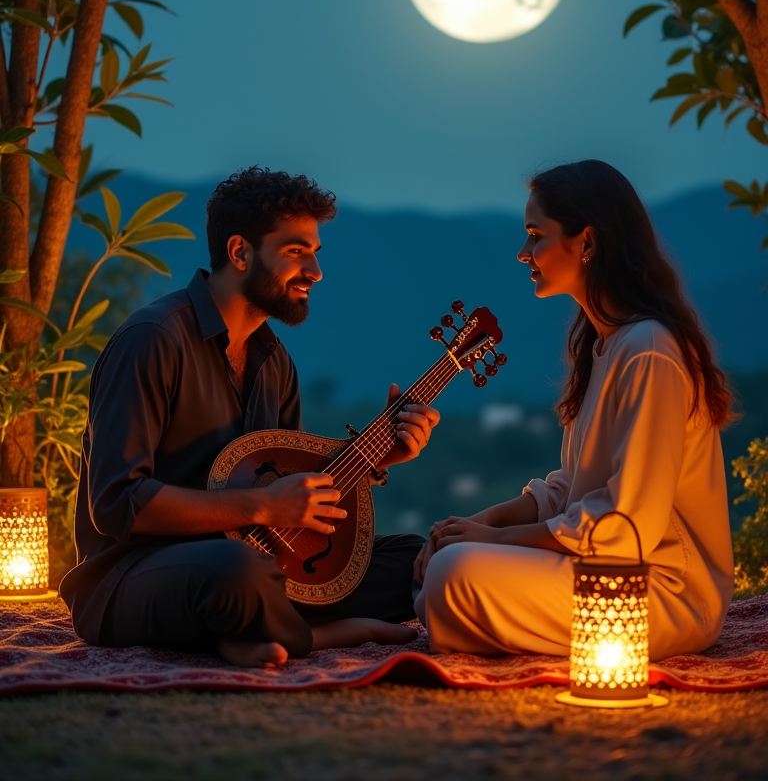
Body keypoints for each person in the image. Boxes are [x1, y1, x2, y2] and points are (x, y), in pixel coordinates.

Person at [61, 167, 440, 667]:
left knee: (419, 561)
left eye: (315, 253)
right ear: (240, 252)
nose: (314, 271)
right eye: (294, 251)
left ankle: (255, 629)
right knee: (238, 572)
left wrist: (374, 458)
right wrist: (261, 508)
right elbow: (116, 505)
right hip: (133, 573)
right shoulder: (152, 339)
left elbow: (293, 501)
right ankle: (322, 634)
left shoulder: (275, 362)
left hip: (259, 559)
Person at [414, 160, 734, 661]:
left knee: (454, 575)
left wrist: (499, 539)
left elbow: (625, 525)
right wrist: (482, 521)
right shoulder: (605, 344)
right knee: (447, 562)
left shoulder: (648, 349)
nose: (524, 254)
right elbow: (574, 485)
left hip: (657, 593)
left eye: (536, 236)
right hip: (606, 569)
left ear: (586, 242)